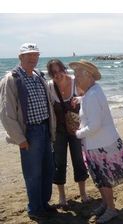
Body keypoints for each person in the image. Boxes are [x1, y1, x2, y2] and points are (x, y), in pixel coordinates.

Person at [69, 60, 123, 224]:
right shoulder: (93, 91)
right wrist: (81, 99)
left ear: (88, 75)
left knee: (103, 179)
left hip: (100, 144)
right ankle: (106, 204)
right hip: (99, 143)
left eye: (77, 74)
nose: (75, 78)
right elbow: (93, 103)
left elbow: (94, 125)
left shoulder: (92, 95)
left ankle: (111, 209)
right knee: (99, 177)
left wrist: (77, 133)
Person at [0, 43, 56, 220]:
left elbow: (49, 103)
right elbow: (6, 113)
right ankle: (35, 209)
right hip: (29, 133)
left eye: (35, 55)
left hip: (45, 129)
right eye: (28, 55)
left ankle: (44, 204)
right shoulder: (11, 79)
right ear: (20, 57)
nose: (33, 58)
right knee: (33, 174)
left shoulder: (39, 76)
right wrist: (20, 139)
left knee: (48, 170)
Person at [47, 59, 90, 208]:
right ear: (50, 74)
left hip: (76, 130)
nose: (58, 74)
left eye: (60, 70)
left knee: (78, 160)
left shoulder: (75, 82)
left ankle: (83, 193)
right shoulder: (50, 87)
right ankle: (62, 196)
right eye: (54, 72)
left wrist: (80, 99)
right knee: (59, 163)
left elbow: (90, 94)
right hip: (59, 132)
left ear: (64, 69)